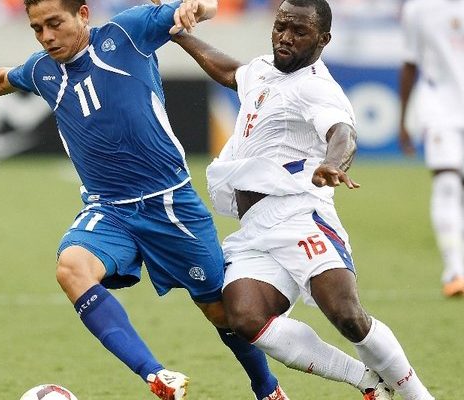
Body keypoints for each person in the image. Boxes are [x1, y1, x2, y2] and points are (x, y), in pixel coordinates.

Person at [0, 1, 287, 399]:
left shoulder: (127, 33)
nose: (46, 36)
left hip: (170, 205)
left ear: (82, 14)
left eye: (54, 23)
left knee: (221, 312)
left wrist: (194, 8)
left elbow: (207, 6)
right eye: (37, 28)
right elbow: (0, 79)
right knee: (72, 267)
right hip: (108, 210)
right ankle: (156, 375)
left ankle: (267, 389)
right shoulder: (42, 70)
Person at [168, 0, 436, 398]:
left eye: (299, 32)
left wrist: (333, 163)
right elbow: (230, 72)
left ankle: (418, 395)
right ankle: (367, 381)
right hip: (255, 227)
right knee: (245, 317)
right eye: (281, 26)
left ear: (323, 39)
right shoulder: (262, 68)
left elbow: (342, 131)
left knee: (346, 315)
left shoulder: (316, 86)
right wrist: (179, 36)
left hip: (299, 215)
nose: (285, 37)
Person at [398, 0, 464, 297]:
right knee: (447, 183)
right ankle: (454, 271)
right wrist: (403, 119)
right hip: (439, 109)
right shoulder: (418, 8)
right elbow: (410, 63)